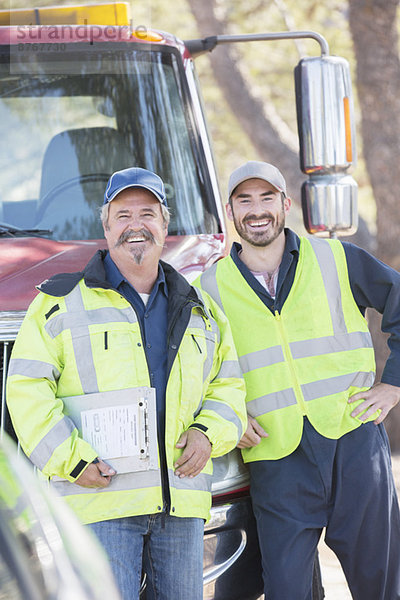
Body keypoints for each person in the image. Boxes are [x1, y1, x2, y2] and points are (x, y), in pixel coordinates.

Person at [6, 167, 247, 600]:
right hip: (101, 501)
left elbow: (228, 385)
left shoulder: (201, 308)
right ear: (105, 226)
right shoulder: (59, 303)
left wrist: (209, 433)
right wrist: (72, 460)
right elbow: (26, 388)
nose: (136, 225)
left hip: (181, 505)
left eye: (148, 213)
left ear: (165, 224)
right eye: (123, 215)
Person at [196, 160, 400, 600]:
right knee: (288, 589)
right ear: (229, 213)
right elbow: (194, 371)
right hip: (275, 458)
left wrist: (394, 384)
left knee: (381, 582)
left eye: (267, 197)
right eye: (244, 201)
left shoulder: (335, 257)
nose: (257, 210)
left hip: (353, 441)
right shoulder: (208, 287)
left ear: (285, 203)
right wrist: (229, 416)